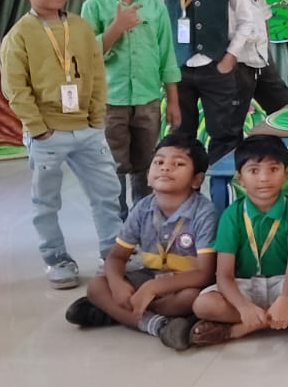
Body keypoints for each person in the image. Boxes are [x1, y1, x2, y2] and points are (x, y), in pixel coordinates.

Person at [0, 0, 121, 289]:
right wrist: (39, 130)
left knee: (107, 194)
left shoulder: (80, 27)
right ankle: (56, 259)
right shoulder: (19, 36)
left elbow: (96, 73)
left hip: (87, 130)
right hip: (47, 134)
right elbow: (16, 89)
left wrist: (95, 118)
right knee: (47, 202)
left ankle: (113, 254)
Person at [64, 134, 218, 351]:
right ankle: (158, 324)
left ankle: (117, 313)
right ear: (148, 176)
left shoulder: (204, 212)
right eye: (159, 162)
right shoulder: (143, 208)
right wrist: (117, 285)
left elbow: (205, 274)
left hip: (184, 283)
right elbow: (116, 257)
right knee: (97, 286)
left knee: (191, 298)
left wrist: (153, 288)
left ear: (197, 180)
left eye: (178, 164)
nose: (165, 168)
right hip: (150, 275)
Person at [188, 135, 288, 345]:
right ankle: (287, 318)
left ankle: (238, 330)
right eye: (254, 171)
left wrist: (285, 299)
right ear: (239, 177)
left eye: (273, 169)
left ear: (286, 173)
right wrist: (243, 307)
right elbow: (224, 276)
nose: (264, 178)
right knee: (202, 305)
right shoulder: (232, 215)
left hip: (283, 283)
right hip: (244, 285)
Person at [81, 0, 182, 216]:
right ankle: (118, 223)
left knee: (146, 164)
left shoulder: (156, 9)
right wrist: (116, 28)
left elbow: (167, 57)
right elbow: (86, 56)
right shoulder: (93, 7)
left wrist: (173, 101)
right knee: (112, 166)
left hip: (148, 101)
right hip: (109, 103)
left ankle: (144, 217)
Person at [151, 0, 255, 164]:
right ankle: (186, 181)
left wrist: (230, 56)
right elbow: (155, 24)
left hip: (217, 68)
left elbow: (247, 20)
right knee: (181, 132)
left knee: (225, 132)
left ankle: (223, 183)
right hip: (179, 70)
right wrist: (164, 63)